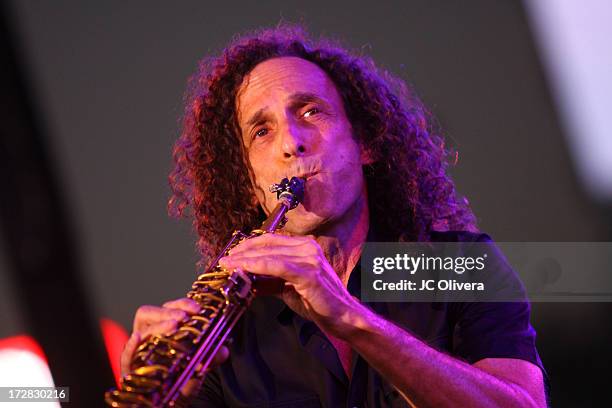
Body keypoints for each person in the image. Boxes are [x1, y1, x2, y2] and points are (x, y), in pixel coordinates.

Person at [121, 25, 548, 407]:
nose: (291, 142)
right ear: (251, 184)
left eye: (309, 110)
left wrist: (350, 318)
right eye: (262, 131)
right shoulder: (223, 331)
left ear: (366, 143)